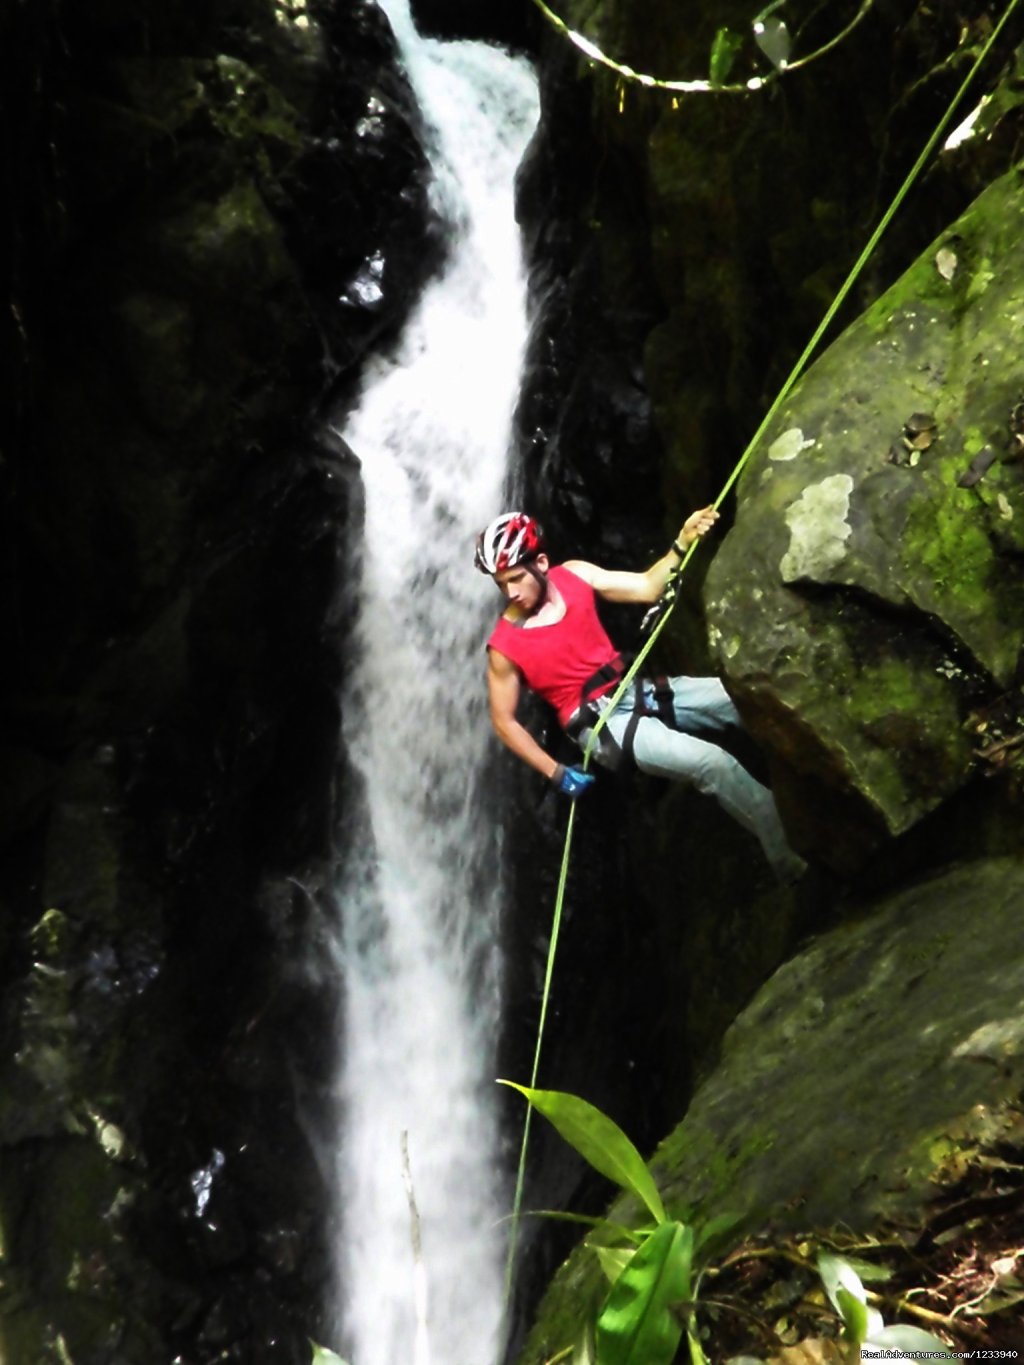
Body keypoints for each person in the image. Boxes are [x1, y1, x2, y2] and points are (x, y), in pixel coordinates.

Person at [475, 509, 806, 883]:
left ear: (541, 563)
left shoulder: (574, 575)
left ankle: (821, 781)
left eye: (516, 578)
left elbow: (648, 586)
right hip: (602, 725)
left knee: (744, 697)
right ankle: (795, 863)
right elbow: (503, 721)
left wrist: (682, 542)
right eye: (502, 584)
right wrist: (555, 772)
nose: (511, 592)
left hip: (635, 689)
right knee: (712, 763)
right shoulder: (505, 646)